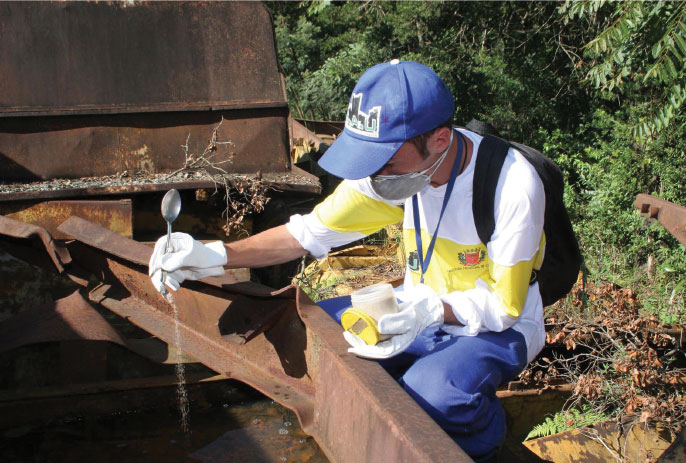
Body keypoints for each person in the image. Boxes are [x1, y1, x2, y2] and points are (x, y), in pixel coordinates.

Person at [149, 60, 546, 462]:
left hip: (496, 327)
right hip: (415, 308)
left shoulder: (511, 188)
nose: (375, 175)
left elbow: (503, 307)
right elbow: (307, 233)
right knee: (314, 330)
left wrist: (430, 310)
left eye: (387, 161)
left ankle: (485, 445)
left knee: (434, 396)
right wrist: (216, 254)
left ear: (440, 140)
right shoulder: (393, 176)